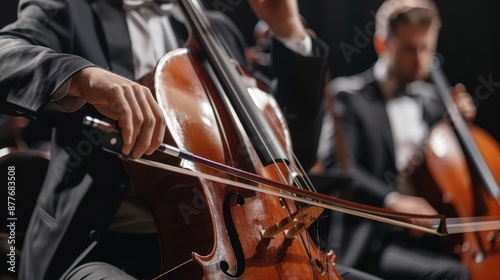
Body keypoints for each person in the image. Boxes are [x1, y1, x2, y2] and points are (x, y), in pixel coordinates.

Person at [0, 0, 336, 279]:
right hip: (103, 247)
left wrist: (287, 28)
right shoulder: (73, 8)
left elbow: (290, 152)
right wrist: (84, 77)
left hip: (229, 250)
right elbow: (6, 54)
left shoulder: (216, 31)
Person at [318, 0, 476, 279]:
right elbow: (340, 170)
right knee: (452, 275)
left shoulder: (433, 102)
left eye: (426, 48)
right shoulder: (347, 96)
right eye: (408, 49)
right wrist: (392, 200)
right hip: (374, 241)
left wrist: (461, 128)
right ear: (381, 44)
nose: (419, 59)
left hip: (431, 237)